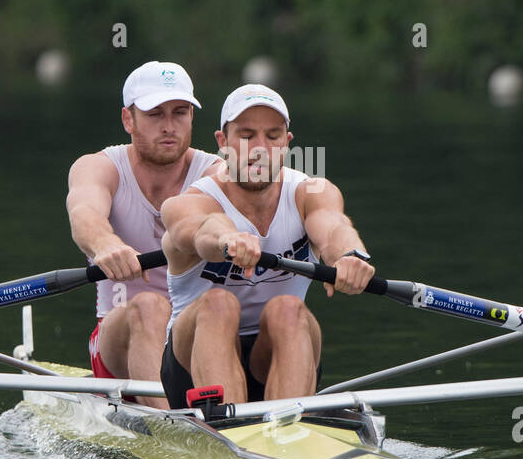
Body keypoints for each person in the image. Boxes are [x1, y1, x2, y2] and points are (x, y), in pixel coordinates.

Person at [158, 84, 375, 410]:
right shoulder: (188, 202)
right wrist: (228, 240)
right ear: (223, 143)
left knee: (288, 309)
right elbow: (203, 230)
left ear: (286, 144)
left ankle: (287, 433)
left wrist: (350, 256)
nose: (260, 148)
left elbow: (334, 229)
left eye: (272, 136)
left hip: (275, 353)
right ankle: (227, 427)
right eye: (246, 136)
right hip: (191, 364)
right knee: (219, 303)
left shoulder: (311, 191)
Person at [66, 61, 221, 408]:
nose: (169, 126)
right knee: (150, 306)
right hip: (118, 337)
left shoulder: (216, 173)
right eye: (154, 114)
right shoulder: (100, 167)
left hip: (196, 338)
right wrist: (107, 244)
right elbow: (84, 213)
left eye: (180, 113)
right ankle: (173, 433)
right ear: (128, 120)